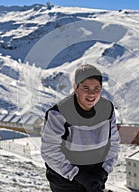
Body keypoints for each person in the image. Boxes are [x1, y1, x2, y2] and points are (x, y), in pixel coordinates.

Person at [41, 64, 121, 192]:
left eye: (96, 88)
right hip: (65, 182)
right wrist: (79, 176)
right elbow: (50, 152)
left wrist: (103, 171)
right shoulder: (59, 114)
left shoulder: (107, 108)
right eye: (86, 88)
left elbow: (114, 144)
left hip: (95, 177)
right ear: (75, 88)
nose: (91, 94)